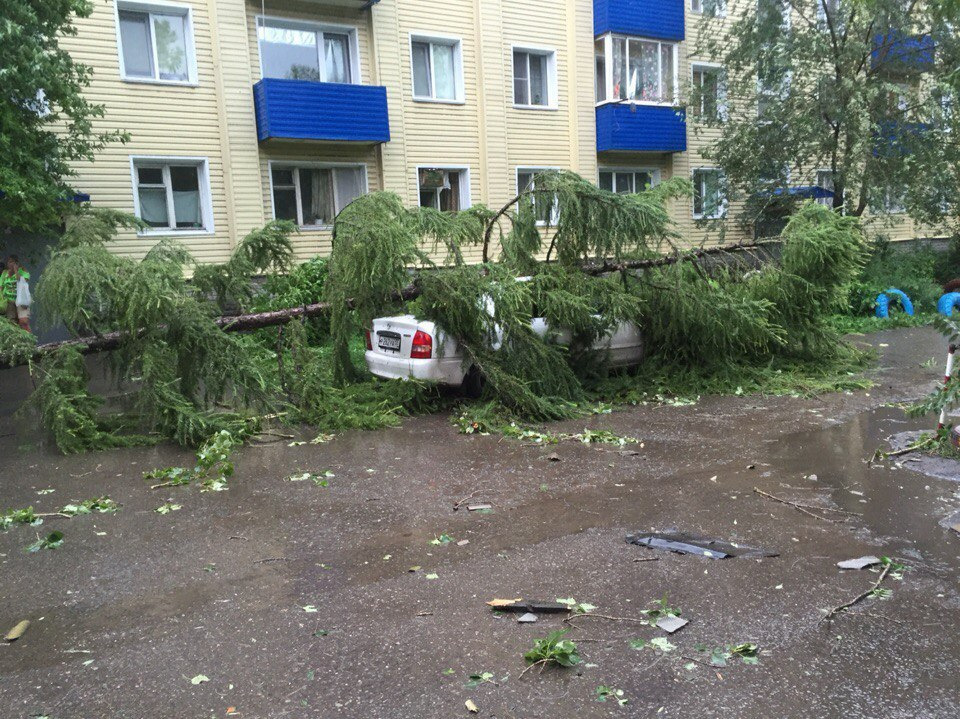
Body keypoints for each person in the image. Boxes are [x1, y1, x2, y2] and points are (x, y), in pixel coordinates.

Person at [1, 255, 31, 333]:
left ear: (16, 263)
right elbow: (1, 287)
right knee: (11, 323)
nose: (10, 264)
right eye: (9, 262)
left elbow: (24, 281)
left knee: (23, 322)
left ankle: (29, 341)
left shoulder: (23, 271)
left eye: (12, 262)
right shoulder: (4, 273)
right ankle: (17, 343)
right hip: (9, 301)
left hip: (22, 301)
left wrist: (16, 271)